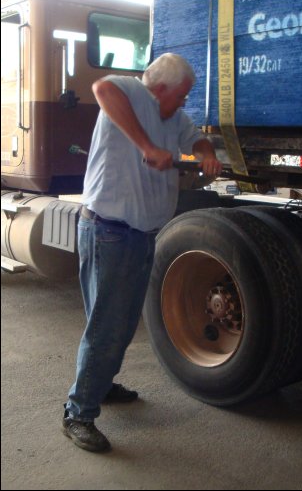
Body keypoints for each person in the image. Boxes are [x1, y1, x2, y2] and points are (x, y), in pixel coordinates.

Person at [62, 53, 222, 452]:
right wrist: (147, 146)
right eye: (182, 95)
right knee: (107, 326)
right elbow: (101, 89)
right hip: (109, 231)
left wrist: (205, 152)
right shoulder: (133, 91)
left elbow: (195, 137)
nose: (184, 103)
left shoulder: (175, 119)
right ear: (162, 88)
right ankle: (78, 412)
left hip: (139, 234)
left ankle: (102, 383)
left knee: (118, 322)